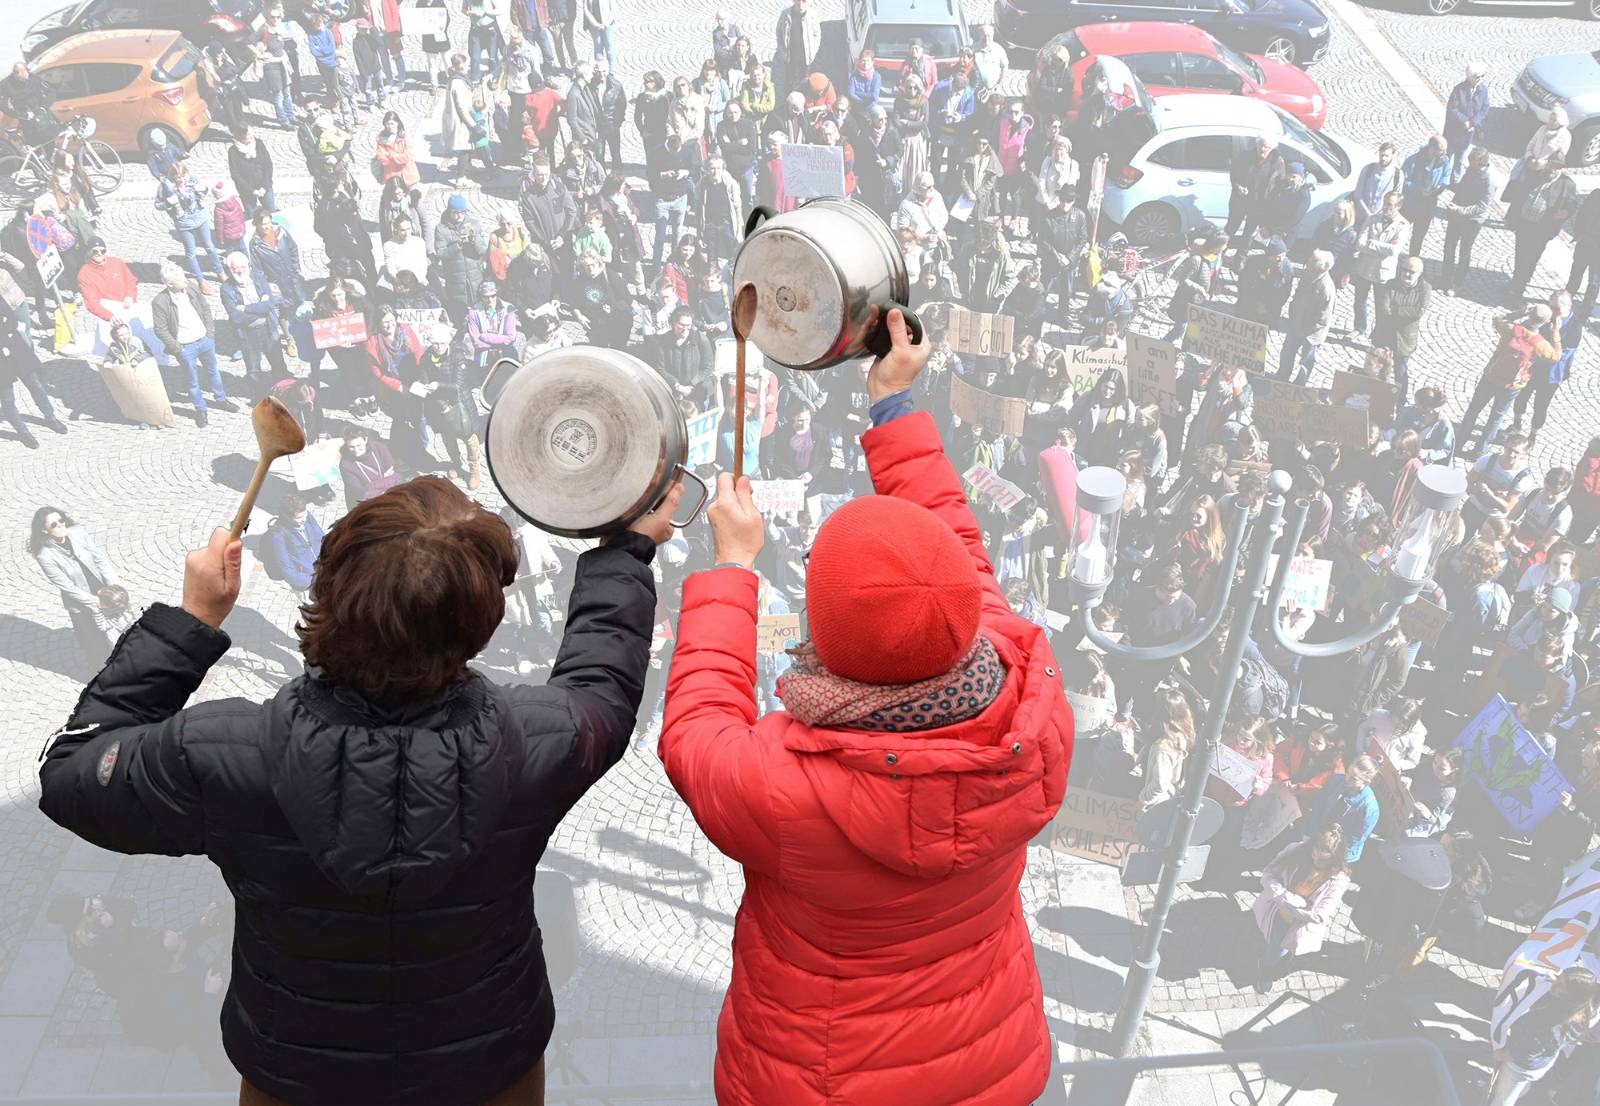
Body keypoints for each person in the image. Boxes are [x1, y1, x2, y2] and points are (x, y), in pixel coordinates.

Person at [38, 464, 680, 1106]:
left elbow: (72, 771)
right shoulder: (545, 736)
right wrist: (622, 552)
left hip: (296, 1070)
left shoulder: (219, 752)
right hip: (487, 1061)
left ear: (327, 588)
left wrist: (192, 619)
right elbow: (603, 681)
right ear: (482, 621)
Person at [659, 310, 1070, 1105]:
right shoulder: (1029, 701)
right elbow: (951, 538)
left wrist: (733, 567)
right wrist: (892, 406)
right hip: (991, 1061)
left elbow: (696, 732)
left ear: (829, 637)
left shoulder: (789, 788)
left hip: (823, 1080)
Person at [1252, 829, 1351, 991]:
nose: (1316, 857)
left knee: (1286, 949)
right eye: (1316, 850)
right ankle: (1265, 971)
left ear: (1335, 857)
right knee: (1275, 950)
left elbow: (1319, 916)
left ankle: (1278, 964)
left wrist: (1291, 907)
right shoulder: (1295, 850)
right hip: (1277, 913)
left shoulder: (1338, 880)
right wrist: (1284, 897)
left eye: (1324, 856)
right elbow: (1269, 874)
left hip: (1299, 924)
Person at [1489, 965, 1599, 1105]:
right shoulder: (1585, 1012)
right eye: (1559, 978)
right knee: (1518, 1086)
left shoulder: (1549, 1022)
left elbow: (1527, 1049)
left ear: (1572, 996)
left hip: (1520, 1066)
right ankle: (1521, 1090)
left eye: (1561, 985)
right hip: (1542, 1061)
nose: (1555, 983)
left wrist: (1503, 1055)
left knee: (1502, 1099)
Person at [1457, 308, 1559, 457]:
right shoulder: (1540, 344)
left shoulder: (1511, 329)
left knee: (1474, 410)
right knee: (1496, 417)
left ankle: (1459, 441)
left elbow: (1497, 319)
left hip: (1491, 376)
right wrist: (1555, 332)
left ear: (1529, 315)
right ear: (1545, 322)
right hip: (1512, 385)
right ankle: (1480, 450)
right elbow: (1556, 356)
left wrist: (1518, 313)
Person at [31, 505, 122, 667]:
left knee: (118, 632)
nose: (60, 525)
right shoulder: (45, 555)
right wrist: (95, 602)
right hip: (80, 603)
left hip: (103, 591)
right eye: (54, 524)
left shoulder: (78, 532)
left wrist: (114, 587)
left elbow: (99, 559)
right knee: (94, 644)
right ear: (45, 530)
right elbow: (67, 587)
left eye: (61, 520)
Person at [151, 262, 234, 428]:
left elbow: (205, 308)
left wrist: (210, 333)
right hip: (185, 347)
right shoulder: (160, 302)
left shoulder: (191, 288)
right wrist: (177, 348)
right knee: (192, 381)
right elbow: (160, 329)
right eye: (181, 278)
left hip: (204, 340)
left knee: (213, 371)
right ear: (170, 284)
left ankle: (221, 399)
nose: (185, 280)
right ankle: (200, 409)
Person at [219, 251, 288, 394]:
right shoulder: (226, 288)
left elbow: (270, 304)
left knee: (278, 363)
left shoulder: (257, 277)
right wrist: (259, 308)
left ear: (249, 266)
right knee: (253, 369)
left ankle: (283, 390)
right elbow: (236, 317)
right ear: (229, 270)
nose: (240, 271)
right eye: (235, 268)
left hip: (268, 328)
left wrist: (245, 308)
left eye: (243, 267)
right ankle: (261, 395)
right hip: (247, 334)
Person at [1437, 144, 1496, 296]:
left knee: (1464, 252)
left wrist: (1459, 210)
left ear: (1482, 164)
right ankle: (1445, 279)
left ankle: (1457, 283)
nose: (1469, 166)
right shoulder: (1471, 171)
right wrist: (1453, 206)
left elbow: (1481, 207)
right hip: (1457, 216)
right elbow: (1462, 190)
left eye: (1473, 164)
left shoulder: (1489, 182)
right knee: (1449, 248)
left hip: (1472, 221)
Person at [1349, 192, 1409, 341]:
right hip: (1365, 268)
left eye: (1390, 204)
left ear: (1398, 206)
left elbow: (1394, 250)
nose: (1386, 207)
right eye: (1385, 203)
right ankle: (1359, 328)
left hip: (1383, 273)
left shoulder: (1403, 225)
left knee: (1382, 306)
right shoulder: (1372, 219)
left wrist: (1373, 243)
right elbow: (1360, 244)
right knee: (1359, 301)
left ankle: (1378, 335)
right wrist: (1381, 249)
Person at [1374, 255, 1430, 403]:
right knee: (1379, 368)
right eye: (1405, 270)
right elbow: (1384, 309)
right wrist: (1404, 312)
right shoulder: (1390, 284)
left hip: (1405, 339)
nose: (1407, 274)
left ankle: (1400, 400)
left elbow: (1419, 311)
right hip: (1385, 335)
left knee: (1401, 372)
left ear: (1420, 274)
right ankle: (1376, 395)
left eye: (1412, 272)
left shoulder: (1425, 289)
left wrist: (1396, 309)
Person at [1306, 755, 1379, 863]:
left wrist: (1330, 856)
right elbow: (1318, 806)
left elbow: (1354, 840)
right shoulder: (1336, 780)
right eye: (1348, 773)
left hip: (1340, 852)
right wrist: (1311, 834)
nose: (1347, 779)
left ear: (1366, 781)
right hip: (1318, 837)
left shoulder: (1369, 808)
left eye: (1354, 778)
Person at [1279, 250, 1335, 386]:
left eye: (1311, 263)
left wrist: (1305, 331)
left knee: (1306, 360)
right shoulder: (1308, 274)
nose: (1306, 265)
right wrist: (1292, 311)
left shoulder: (1326, 288)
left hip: (1312, 332)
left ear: (1320, 269)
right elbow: (1297, 294)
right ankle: (1282, 377)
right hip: (1297, 323)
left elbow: (1322, 318)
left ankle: (1299, 385)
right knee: (1287, 352)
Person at [260, 493, 324, 595]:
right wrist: (315, 581)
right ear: (286, 516)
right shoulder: (278, 535)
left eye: (305, 514)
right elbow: (288, 572)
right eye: (298, 518)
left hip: (324, 573)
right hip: (308, 584)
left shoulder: (306, 517)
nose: (304, 519)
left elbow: (321, 537)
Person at [1400, 135, 1450, 258]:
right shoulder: (1413, 161)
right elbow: (1403, 181)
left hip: (1428, 206)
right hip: (1410, 205)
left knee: (1418, 237)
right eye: (1442, 150)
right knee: (1399, 233)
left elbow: (1446, 175)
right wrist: (1419, 191)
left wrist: (1441, 186)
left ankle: (1412, 263)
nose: (1445, 153)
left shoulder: (1444, 160)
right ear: (1432, 149)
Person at [1443, 62, 1490, 182]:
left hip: (1467, 133)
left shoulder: (1483, 90)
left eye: (1482, 76)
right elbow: (1452, 108)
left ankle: (1455, 180)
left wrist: (1473, 122)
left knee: (1460, 158)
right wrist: (1464, 121)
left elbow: (1485, 109)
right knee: (1447, 157)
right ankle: (1442, 179)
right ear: (1469, 77)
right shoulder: (1459, 90)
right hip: (1453, 132)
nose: (1480, 79)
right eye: (1477, 76)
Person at [772, 0, 821, 97]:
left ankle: (802, 101)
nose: (801, 4)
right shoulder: (786, 14)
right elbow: (779, 32)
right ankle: (789, 101)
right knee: (789, 81)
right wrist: (783, 51)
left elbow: (817, 34)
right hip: (790, 56)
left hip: (805, 57)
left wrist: (813, 51)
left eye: (804, 1)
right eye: (798, 1)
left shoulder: (811, 15)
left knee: (804, 80)